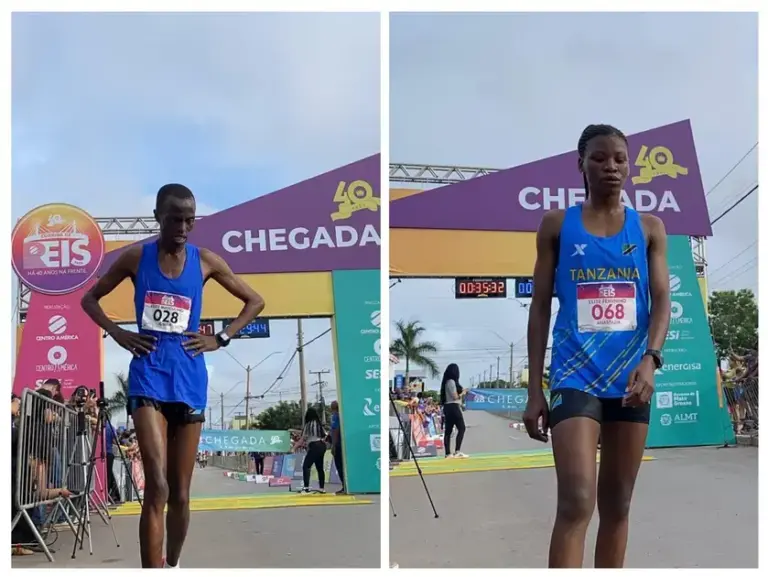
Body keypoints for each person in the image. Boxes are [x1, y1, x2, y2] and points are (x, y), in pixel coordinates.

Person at [81, 184, 265, 568]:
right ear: (157, 218)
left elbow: (255, 300)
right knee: (158, 486)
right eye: (174, 218)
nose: (183, 226)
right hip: (148, 373)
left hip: (189, 376)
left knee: (180, 493)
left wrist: (222, 337)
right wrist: (118, 332)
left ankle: (173, 564)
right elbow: (89, 298)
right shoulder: (137, 257)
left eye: (189, 219)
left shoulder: (207, 261)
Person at [523, 124, 671, 569]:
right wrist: (535, 389)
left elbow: (662, 299)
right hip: (575, 375)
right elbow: (540, 308)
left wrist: (651, 358)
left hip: (630, 377)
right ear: (581, 165)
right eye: (600, 158)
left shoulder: (648, 228)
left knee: (618, 504)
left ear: (630, 166)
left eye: (620, 159)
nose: (611, 166)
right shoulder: (556, 225)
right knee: (576, 500)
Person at [439, 363, 468, 458]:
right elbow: (455, 396)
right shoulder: (451, 382)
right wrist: (463, 393)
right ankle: (457, 451)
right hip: (453, 406)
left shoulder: (446, 382)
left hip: (447, 407)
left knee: (448, 430)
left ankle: (448, 453)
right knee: (462, 428)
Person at [298, 407, 327, 494]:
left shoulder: (308, 424)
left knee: (306, 466)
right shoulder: (319, 424)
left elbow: (302, 438)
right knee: (320, 467)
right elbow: (325, 435)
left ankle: (306, 487)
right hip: (321, 445)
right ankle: (322, 488)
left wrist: (294, 448)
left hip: (314, 446)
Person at [329, 401, 346, 494]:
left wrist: (333, 445)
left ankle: (344, 486)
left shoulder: (335, 416)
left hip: (338, 444)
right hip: (344, 444)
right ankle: (347, 485)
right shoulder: (343, 415)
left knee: (339, 466)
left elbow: (335, 430)